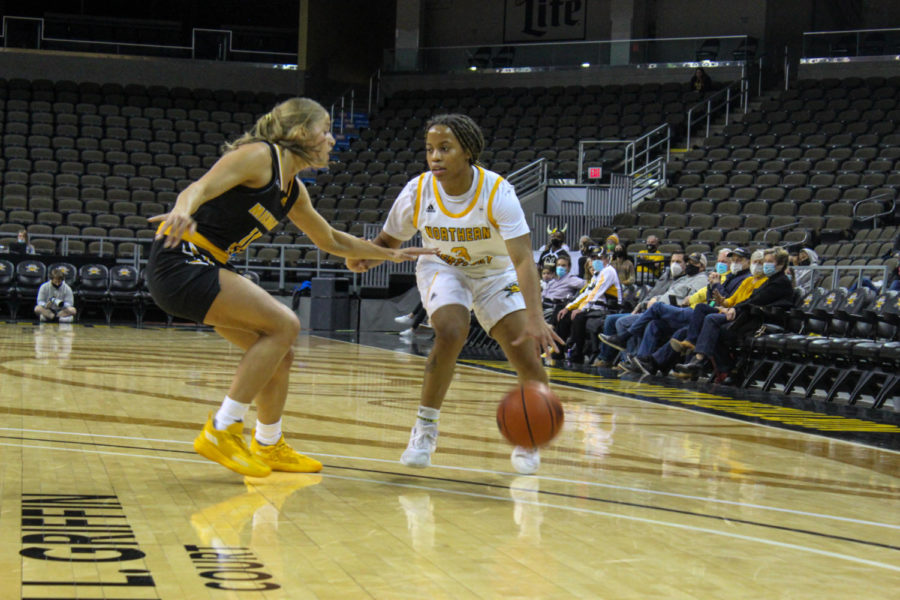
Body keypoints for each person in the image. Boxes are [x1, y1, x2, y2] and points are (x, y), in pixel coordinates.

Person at [146, 97, 428, 478]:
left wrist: (387, 255)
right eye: (324, 130)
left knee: (280, 355)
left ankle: (268, 443)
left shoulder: (292, 189)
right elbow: (199, 187)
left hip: (205, 266)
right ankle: (222, 428)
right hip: (181, 262)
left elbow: (331, 239)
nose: (330, 139)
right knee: (285, 325)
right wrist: (182, 210)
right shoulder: (260, 156)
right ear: (300, 133)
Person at [345, 113, 562, 475]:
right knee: (450, 330)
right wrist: (368, 257)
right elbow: (387, 241)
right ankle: (425, 429)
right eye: (430, 149)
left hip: (496, 272)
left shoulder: (497, 192)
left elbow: (523, 259)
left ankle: (529, 436)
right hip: (443, 266)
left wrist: (537, 317)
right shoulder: (418, 191)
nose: (435, 157)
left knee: (526, 355)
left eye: (445, 148)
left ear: (468, 152)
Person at [675, 247, 793, 378]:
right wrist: (725, 303)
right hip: (747, 315)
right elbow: (749, 300)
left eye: (769, 262)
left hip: (761, 321)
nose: (766, 265)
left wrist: (734, 309)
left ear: (781, 264)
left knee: (711, 321)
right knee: (707, 319)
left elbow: (756, 301)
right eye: (764, 261)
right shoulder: (771, 280)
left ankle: (699, 360)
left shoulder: (780, 282)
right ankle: (722, 367)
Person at [555, 248, 621, 364]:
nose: (595, 261)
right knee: (563, 314)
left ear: (606, 259)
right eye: (594, 258)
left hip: (607, 308)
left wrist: (581, 309)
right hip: (594, 307)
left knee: (578, 317)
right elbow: (586, 293)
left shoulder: (608, 271)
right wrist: (568, 307)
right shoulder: (597, 274)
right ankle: (559, 351)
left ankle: (577, 353)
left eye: (599, 258)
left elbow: (596, 293)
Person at [541, 253, 584, 322]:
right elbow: (543, 295)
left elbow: (586, 284)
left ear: (569, 267)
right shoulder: (552, 281)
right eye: (558, 265)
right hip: (543, 305)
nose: (560, 267)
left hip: (554, 307)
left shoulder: (571, 279)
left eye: (563, 265)